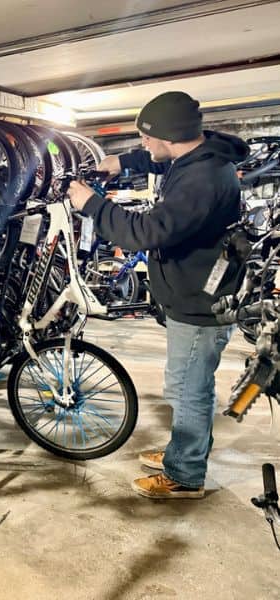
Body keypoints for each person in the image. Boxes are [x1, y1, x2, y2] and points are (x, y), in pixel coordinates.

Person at [68, 91, 249, 499]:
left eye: (147, 138)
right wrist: (122, 161)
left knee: (188, 390)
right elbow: (159, 156)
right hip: (197, 293)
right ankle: (184, 452)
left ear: (170, 136)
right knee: (186, 385)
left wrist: (93, 205)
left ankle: (184, 474)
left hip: (200, 304)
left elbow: (144, 233)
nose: (144, 145)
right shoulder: (198, 156)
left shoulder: (202, 181)